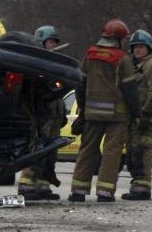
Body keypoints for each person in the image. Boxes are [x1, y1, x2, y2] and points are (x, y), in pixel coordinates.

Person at [68, 19, 138, 203]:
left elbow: (80, 84)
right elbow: (130, 90)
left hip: (92, 113)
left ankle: (78, 191)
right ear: (120, 39)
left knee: (87, 150)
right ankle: (105, 192)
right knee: (111, 152)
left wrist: (83, 108)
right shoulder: (123, 59)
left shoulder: (90, 56)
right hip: (117, 115)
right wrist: (135, 114)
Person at [19, 25, 65, 200]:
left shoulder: (54, 62)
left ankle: (43, 185)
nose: (53, 45)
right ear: (41, 42)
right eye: (50, 41)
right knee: (37, 148)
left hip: (54, 116)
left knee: (51, 151)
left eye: (54, 42)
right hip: (41, 115)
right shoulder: (34, 63)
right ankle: (26, 184)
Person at [121, 30, 152, 201]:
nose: (138, 50)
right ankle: (136, 186)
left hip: (145, 120)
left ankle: (142, 189)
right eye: (135, 47)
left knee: (141, 154)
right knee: (132, 155)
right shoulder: (133, 67)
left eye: (141, 47)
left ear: (149, 48)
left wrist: (145, 115)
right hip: (133, 120)